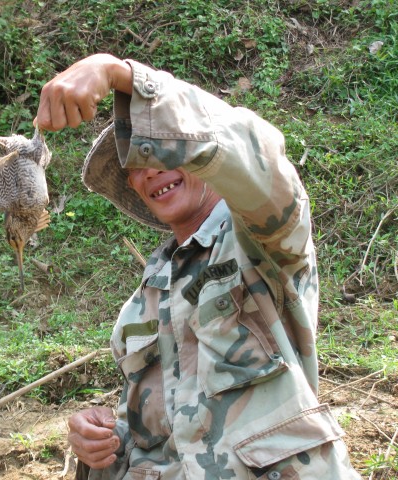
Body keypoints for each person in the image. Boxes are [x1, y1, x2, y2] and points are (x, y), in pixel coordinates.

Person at [35, 54, 361, 480]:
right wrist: (101, 438)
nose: (149, 169)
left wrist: (119, 73)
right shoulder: (143, 300)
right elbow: (165, 434)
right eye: (134, 165)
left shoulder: (263, 238)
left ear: (198, 155)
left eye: (158, 149)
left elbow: (252, 149)